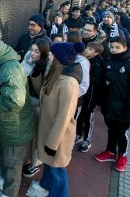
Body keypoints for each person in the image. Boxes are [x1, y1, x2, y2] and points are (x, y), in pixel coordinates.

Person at [0, 38, 36, 197]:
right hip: (7, 125)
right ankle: (4, 179)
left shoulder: (8, 69)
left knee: (12, 164)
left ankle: (9, 193)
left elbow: (14, 100)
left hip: (14, 127)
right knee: (6, 156)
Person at [27, 42, 83, 197]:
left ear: (60, 58)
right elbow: (42, 95)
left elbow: (64, 116)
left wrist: (52, 143)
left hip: (58, 135)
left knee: (58, 169)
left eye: (52, 55)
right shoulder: (56, 74)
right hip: (48, 128)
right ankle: (45, 183)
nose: (49, 57)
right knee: (49, 163)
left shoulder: (69, 82)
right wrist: (36, 73)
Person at [94, 36, 130, 172]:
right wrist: (101, 103)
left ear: (125, 48)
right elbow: (103, 84)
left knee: (122, 133)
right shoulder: (108, 61)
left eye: (117, 47)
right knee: (111, 130)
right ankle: (110, 151)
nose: (114, 50)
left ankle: (123, 155)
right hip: (109, 107)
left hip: (124, 110)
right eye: (112, 47)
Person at [20, 39, 51, 178]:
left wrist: (33, 75)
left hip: (39, 105)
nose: (32, 53)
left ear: (43, 52)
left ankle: (36, 163)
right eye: (31, 50)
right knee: (27, 133)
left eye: (36, 51)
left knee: (38, 135)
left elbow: (41, 91)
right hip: (27, 102)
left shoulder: (45, 67)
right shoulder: (28, 62)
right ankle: (26, 158)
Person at [76, 42, 105, 152]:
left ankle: (87, 140)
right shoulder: (85, 59)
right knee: (80, 114)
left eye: (90, 49)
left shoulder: (98, 63)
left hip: (91, 95)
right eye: (87, 47)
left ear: (96, 52)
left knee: (88, 116)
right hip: (83, 94)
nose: (86, 50)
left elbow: (95, 80)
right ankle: (78, 134)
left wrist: (83, 77)